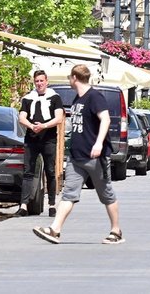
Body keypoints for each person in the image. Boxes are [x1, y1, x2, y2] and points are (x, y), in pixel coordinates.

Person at [33, 64, 123, 244]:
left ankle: (116, 230)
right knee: (69, 194)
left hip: (96, 156)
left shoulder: (94, 97)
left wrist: (98, 143)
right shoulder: (78, 98)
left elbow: (105, 118)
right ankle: (55, 230)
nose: (69, 80)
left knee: (106, 193)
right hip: (77, 156)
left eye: (69, 77)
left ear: (74, 77)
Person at [16, 70, 64, 217]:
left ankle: (51, 205)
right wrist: (32, 126)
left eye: (41, 81)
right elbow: (21, 117)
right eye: (37, 81)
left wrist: (43, 126)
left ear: (46, 81)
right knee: (28, 171)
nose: (39, 84)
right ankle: (23, 205)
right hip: (31, 139)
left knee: (50, 171)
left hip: (48, 139)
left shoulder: (54, 97)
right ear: (34, 82)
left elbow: (59, 118)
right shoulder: (28, 98)